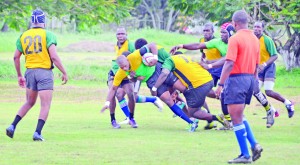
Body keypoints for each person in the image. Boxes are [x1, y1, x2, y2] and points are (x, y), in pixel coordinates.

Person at [6, 9, 68, 141]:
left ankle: (12, 126)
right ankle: (37, 133)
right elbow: (54, 57)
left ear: (32, 21)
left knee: (29, 102)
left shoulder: (23, 36)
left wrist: (19, 75)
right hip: (44, 72)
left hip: (29, 72)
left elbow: (16, 57)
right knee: (45, 104)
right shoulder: (48, 35)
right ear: (43, 21)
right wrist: (64, 72)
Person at [215, 10, 262, 163]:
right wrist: (254, 83)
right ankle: (254, 145)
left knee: (236, 118)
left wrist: (220, 84)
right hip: (249, 79)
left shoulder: (234, 39)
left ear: (234, 24)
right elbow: (256, 65)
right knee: (239, 116)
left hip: (236, 79)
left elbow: (229, 63)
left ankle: (245, 155)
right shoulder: (255, 39)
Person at [170, 23, 235, 130]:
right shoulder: (216, 42)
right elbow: (198, 46)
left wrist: (210, 64)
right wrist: (181, 45)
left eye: (224, 32)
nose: (222, 35)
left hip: (230, 70)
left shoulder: (234, 43)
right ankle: (220, 119)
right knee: (206, 92)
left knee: (225, 95)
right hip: (214, 69)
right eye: (221, 32)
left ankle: (232, 118)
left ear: (231, 33)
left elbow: (227, 59)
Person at [151, 54, 230, 132]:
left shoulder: (169, 60)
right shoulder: (187, 57)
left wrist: (155, 88)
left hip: (197, 85)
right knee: (204, 95)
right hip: (208, 80)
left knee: (193, 112)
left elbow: (164, 73)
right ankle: (225, 102)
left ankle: (217, 118)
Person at [253, 21, 295, 119]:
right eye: (255, 27)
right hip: (258, 69)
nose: (256, 29)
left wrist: (264, 64)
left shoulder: (267, 40)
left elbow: (275, 55)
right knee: (255, 91)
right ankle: (272, 110)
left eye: (258, 27)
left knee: (268, 91)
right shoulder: (252, 40)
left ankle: (288, 103)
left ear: (262, 29)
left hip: (268, 67)